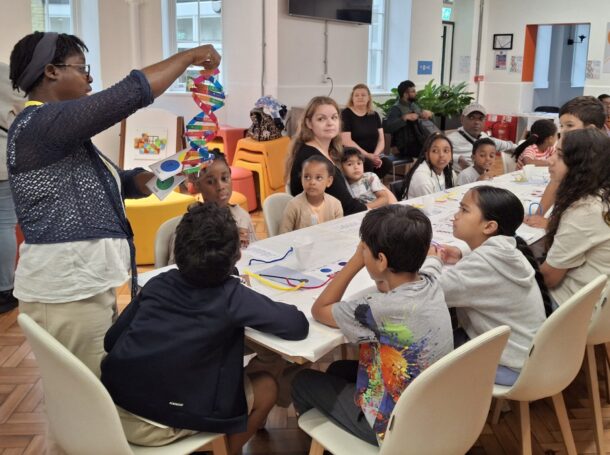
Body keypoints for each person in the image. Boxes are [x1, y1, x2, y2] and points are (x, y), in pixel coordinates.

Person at [7, 31, 221, 377]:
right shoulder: (38, 124)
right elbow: (128, 95)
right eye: (82, 68)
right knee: (88, 396)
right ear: (51, 72)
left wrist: (184, 164)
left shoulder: (59, 135)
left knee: (96, 387)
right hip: (66, 291)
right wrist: (187, 57)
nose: (89, 77)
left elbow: (124, 184)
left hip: (85, 285)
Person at [101, 203, 309, 454]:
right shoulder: (232, 296)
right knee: (267, 387)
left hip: (114, 411)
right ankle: (223, 450)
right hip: (164, 424)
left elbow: (111, 341)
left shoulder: (158, 284)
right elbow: (297, 326)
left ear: (177, 250)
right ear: (237, 255)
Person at [291, 205, 452, 445]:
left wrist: (357, 261)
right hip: (432, 410)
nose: (361, 253)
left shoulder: (375, 310)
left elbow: (320, 309)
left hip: (394, 429)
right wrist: (379, 268)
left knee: (302, 381)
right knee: (337, 369)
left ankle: (330, 443)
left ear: (381, 260)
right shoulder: (431, 282)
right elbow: (432, 263)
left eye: (364, 249)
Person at [424, 186, 548, 386]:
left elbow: (428, 294)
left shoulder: (480, 266)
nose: (456, 216)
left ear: (489, 227)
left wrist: (433, 261)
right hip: (528, 353)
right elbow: (483, 266)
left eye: (464, 210)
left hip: (510, 365)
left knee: (423, 348)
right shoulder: (508, 248)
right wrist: (462, 252)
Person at [538, 128, 610, 308]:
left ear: (583, 165)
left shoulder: (586, 209)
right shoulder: (601, 197)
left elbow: (549, 278)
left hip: (571, 308)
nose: (550, 160)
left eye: (560, 156)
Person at [524, 96, 606, 229]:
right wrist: (539, 214)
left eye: (570, 125)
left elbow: (590, 219)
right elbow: (556, 181)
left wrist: (553, 224)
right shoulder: (567, 146)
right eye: (561, 125)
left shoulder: (601, 158)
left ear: (591, 129)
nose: (562, 131)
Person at [168, 151, 256, 263]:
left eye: (224, 178)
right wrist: (229, 245)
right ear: (197, 185)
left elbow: (255, 255)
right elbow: (177, 265)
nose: (220, 187)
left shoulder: (242, 216)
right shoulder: (189, 225)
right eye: (210, 182)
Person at [285, 96, 367, 215]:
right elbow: (347, 208)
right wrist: (379, 205)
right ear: (309, 123)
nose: (330, 123)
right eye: (321, 119)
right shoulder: (311, 158)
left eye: (334, 117)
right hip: (321, 224)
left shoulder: (329, 150)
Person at [0, 62, 22, 314]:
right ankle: (4, 288)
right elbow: (24, 105)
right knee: (5, 222)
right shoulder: (5, 72)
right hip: (2, 157)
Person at [279, 155, 343, 233]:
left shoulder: (335, 205)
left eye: (318, 178)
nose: (312, 182)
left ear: (329, 181)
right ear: (301, 178)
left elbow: (339, 234)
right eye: (307, 177)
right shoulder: (293, 206)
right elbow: (283, 236)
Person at [341, 83, 391, 178]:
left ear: (368, 98)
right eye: (357, 95)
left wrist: (375, 156)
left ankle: (372, 186)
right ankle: (365, 188)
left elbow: (381, 139)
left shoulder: (374, 115)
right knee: (366, 163)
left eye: (363, 95)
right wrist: (368, 155)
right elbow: (346, 141)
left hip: (372, 154)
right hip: (354, 155)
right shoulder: (346, 114)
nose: (360, 97)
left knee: (387, 163)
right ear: (352, 98)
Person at [446, 103, 516, 171]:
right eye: (471, 117)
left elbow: (510, 146)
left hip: (481, 178)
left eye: (481, 118)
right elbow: (437, 156)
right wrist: (458, 159)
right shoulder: (450, 140)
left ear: (484, 121)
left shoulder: (485, 138)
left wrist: (525, 154)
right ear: (462, 119)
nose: (477, 122)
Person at [383, 80, 433, 160]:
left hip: (419, 140)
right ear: (405, 94)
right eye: (413, 91)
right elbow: (388, 128)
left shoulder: (413, 105)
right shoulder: (396, 109)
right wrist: (404, 118)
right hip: (405, 145)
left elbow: (421, 116)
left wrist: (427, 115)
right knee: (430, 152)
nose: (415, 93)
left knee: (436, 147)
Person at [400, 132, 457, 199]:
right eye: (435, 151)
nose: (441, 155)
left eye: (446, 151)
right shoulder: (422, 178)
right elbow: (430, 207)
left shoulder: (449, 171)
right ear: (427, 155)